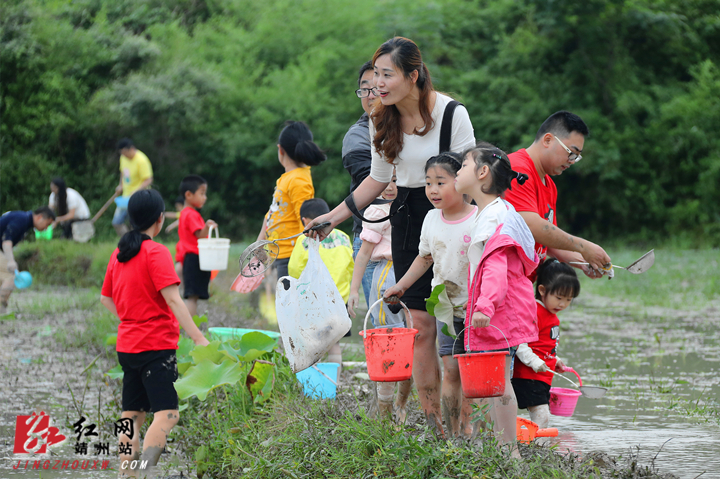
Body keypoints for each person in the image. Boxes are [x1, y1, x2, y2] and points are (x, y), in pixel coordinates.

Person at [306, 37, 476, 432]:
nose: (376, 84)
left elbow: (470, 177)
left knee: (456, 329)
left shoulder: (452, 114)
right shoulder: (380, 117)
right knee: (420, 329)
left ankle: (461, 427)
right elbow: (377, 179)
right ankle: (435, 426)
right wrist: (332, 217)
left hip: (451, 218)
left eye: (387, 75)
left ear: (413, 76)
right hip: (406, 216)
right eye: (375, 74)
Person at [99, 189, 209, 478]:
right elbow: (174, 299)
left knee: (131, 416)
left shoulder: (118, 253)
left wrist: (130, 318)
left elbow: (105, 299)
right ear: (160, 220)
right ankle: (143, 471)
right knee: (167, 414)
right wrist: (198, 337)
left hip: (128, 347)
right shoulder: (156, 252)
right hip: (156, 348)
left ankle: (127, 473)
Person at [384, 152, 475, 436]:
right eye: (428, 183)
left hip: (476, 309)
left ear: (461, 182)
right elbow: (424, 259)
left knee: (470, 372)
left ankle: (470, 427)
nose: (433, 190)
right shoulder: (431, 219)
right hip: (446, 308)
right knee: (450, 369)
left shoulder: (479, 218)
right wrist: (402, 286)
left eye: (441, 182)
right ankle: (451, 433)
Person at [454, 142, 537, 454]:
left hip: (499, 312)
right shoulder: (491, 212)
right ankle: (500, 446)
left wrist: (484, 306)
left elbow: (495, 269)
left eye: (463, 166)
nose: (457, 172)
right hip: (498, 309)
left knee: (499, 384)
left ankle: (509, 451)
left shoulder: (493, 217)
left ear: (482, 172)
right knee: (493, 384)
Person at [503, 111, 611, 277]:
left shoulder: (550, 185)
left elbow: (549, 242)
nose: (572, 161)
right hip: (503, 283)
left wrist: (584, 262)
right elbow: (532, 226)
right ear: (548, 140)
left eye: (577, 157)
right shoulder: (517, 170)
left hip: (521, 286)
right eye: (571, 152)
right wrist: (583, 246)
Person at [348, 170, 413, 423]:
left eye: (396, 180)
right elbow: (363, 254)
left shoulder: (410, 207)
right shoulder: (376, 212)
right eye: (385, 181)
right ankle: (387, 407)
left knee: (410, 339)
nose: (390, 187)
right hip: (386, 277)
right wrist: (354, 289)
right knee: (390, 340)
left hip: (410, 275)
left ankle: (400, 404)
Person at [513, 258, 579, 429]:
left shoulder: (552, 316)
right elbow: (519, 342)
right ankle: (531, 447)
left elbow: (543, 346)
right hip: (528, 376)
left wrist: (554, 360)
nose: (563, 304)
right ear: (542, 290)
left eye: (569, 299)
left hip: (542, 377)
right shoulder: (534, 311)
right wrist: (534, 362)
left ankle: (527, 444)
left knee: (540, 417)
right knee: (542, 417)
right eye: (558, 297)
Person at [288, 199, 354, 367]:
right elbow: (350, 266)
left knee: (310, 343)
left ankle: (315, 383)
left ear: (305, 221)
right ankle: (336, 382)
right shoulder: (344, 238)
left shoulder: (304, 240)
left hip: (314, 301)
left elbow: (294, 269)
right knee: (334, 344)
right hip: (339, 300)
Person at [258, 121, 326, 279]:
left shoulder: (299, 181)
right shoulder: (286, 178)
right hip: (279, 253)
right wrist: (260, 243)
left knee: (290, 302)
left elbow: (305, 221)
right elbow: (271, 213)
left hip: (292, 256)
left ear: (280, 149)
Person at [343, 60, 380, 306]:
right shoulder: (357, 136)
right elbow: (375, 180)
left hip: (414, 236)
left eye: (375, 88)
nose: (369, 95)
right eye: (364, 89)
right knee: (382, 320)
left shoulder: (413, 127)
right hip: (371, 237)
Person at [0, 207, 55, 314]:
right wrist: (11, 261)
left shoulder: (24, 219)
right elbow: (6, 240)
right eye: (47, 224)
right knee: (10, 277)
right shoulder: (22, 219)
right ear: (39, 217)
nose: (46, 228)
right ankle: (1, 309)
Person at [177, 175, 217, 317]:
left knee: (191, 295)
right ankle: (191, 328)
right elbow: (200, 234)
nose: (204, 197)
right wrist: (207, 226)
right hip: (195, 258)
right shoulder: (191, 214)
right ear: (188, 195)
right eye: (201, 193)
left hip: (190, 258)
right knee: (192, 297)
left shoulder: (184, 213)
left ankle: (190, 326)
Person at [113, 138, 153, 236]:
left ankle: (136, 244)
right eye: (122, 153)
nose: (124, 155)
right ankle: (128, 242)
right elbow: (123, 172)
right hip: (125, 197)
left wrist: (136, 190)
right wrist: (120, 185)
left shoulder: (142, 160)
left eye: (125, 153)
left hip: (140, 197)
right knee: (116, 222)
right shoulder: (123, 158)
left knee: (136, 224)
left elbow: (148, 179)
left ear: (131, 149)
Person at [165, 196, 186, 280]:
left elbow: (179, 220)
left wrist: (171, 226)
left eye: (178, 207)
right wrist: (164, 213)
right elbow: (174, 215)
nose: (178, 209)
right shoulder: (182, 213)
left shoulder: (187, 214)